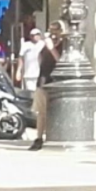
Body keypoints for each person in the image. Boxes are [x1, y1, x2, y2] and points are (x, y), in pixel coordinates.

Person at [31, 21, 65, 151]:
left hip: (55, 82)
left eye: (56, 30)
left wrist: (52, 48)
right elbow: (40, 58)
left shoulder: (63, 46)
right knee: (41, 112)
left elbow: (61, 61)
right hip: (43, 80)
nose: (53, 33)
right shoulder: (46, 45)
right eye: (51, 30)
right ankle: (39, 138)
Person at [17, 28, 45, 93]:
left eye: (38, 34)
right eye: (33, 35)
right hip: (28, 74)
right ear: (30, 36)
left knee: (40, 93)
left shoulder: (43, 44)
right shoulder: (25, 45)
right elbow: (21, 58)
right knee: (30, 93)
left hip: (40, 74)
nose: (36, 36)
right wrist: (18, 71)